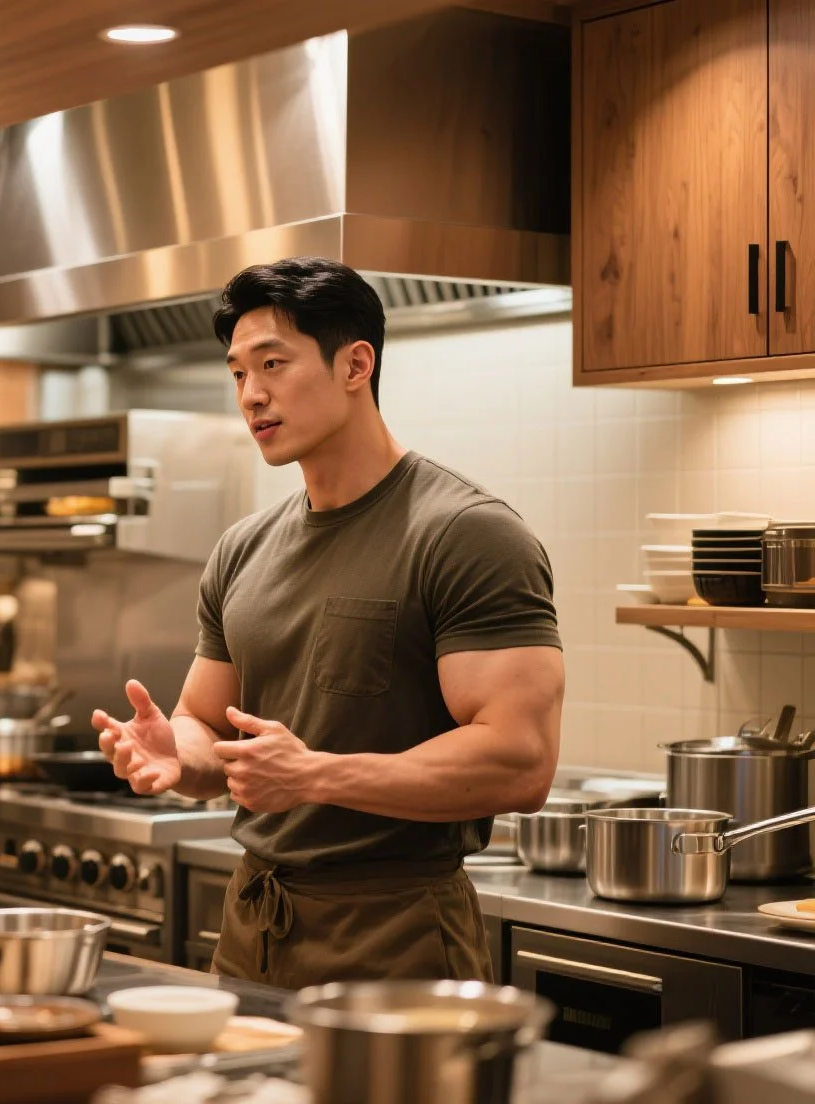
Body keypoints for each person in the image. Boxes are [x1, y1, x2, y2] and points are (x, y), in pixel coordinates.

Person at [93, 258, 564, 989]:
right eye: (237, 373)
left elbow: (520, 759)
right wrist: (176, 754)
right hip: (253, 927)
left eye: (272, 364)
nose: (251, 395)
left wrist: (313, 775)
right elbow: (206, 725)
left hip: (398, 936)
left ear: (355, 365)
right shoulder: (243, 548)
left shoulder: (466, 533)